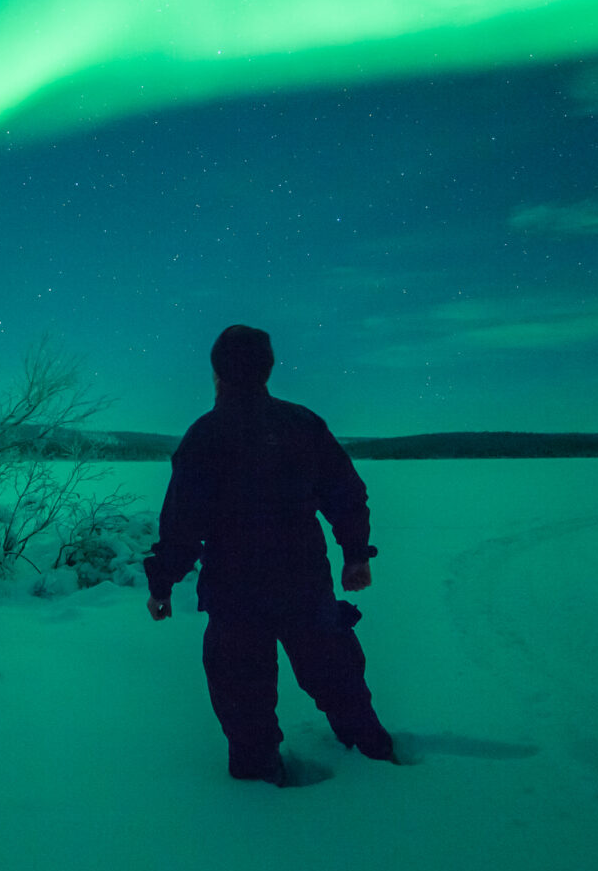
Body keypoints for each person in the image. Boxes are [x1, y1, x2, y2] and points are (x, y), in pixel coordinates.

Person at [144, 324, 406, 784]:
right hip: (303, 582)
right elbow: (346, 492)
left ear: (216, 374)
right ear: (267, 369)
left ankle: (262, 776)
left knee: (244, 693)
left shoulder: (205, 436)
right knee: (335, 673)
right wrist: (356, 553)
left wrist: (163, 583)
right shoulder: (301, 424)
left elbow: (182, 522)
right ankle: (371, 750)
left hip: (236, 593)